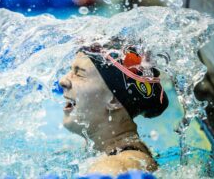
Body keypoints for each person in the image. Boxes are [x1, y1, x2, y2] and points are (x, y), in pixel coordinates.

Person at [59, 39, 169, 176]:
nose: (63, 81)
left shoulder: (116, 166)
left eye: (79, 73)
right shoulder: (124, 155)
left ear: (114, 100)